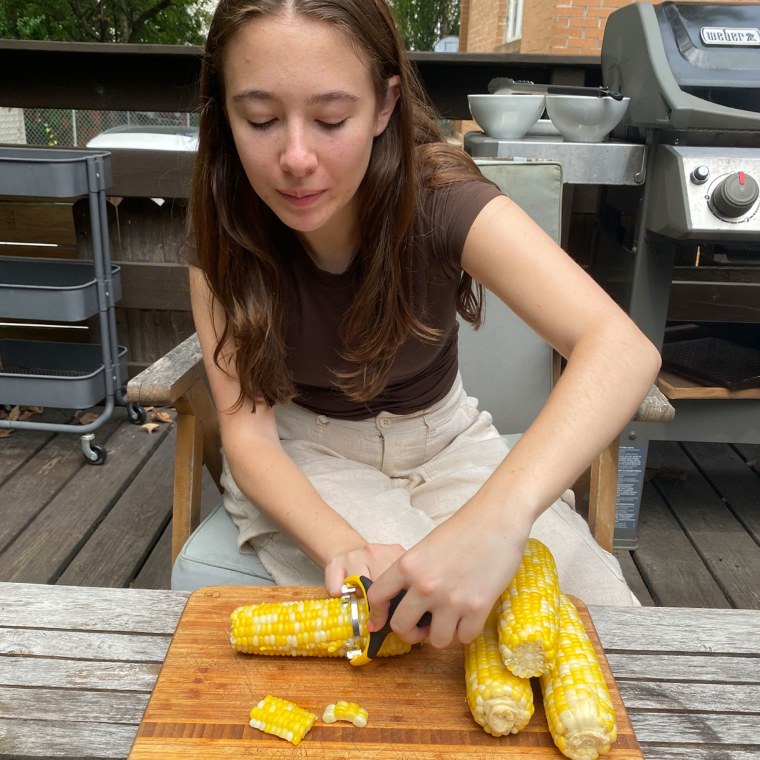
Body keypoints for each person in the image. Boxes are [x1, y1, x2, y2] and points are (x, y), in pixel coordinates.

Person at [186, 0, 662, 650]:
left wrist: (497, 519)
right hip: (309, 455)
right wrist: (341, 547)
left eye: (331, 119)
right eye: (261, 119)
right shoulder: (221, 229)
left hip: (451, 440)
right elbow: (250, 436)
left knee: (600, 614)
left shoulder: (440, 197)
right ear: (224, 113)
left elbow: (621, 349)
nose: (295, 158)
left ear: (384, 106)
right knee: (433, 622)